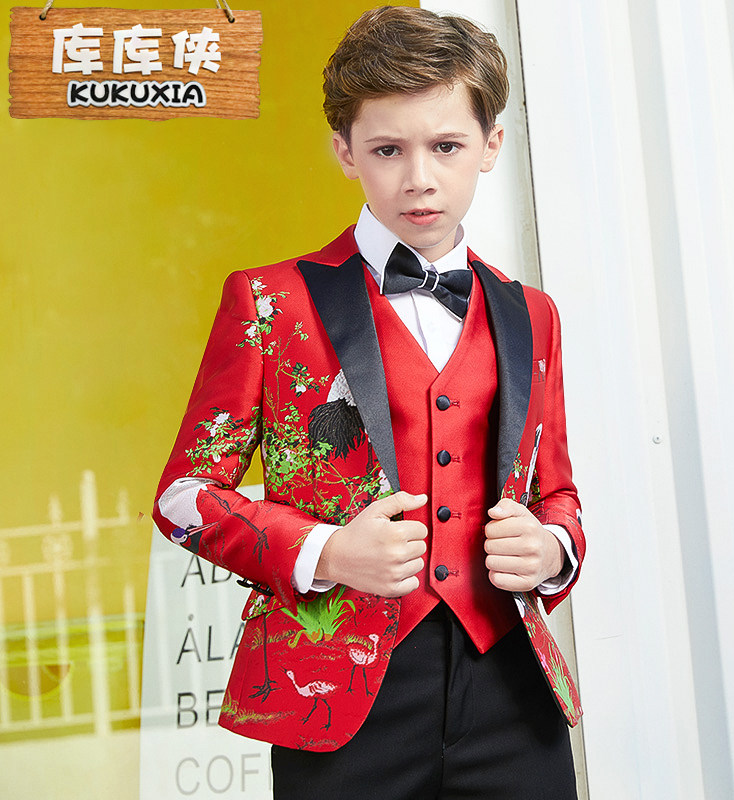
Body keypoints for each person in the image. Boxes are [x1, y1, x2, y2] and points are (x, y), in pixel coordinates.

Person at [153, 6, 585, 798]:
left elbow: (555, 491)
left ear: (491, 145)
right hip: (339, 696)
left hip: (512, 689)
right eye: (388, 149)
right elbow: (184, 497)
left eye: (446, 146)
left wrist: (553, 548)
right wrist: (326, 553)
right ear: (345, 151)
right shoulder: (270, 303)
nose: (418, 177)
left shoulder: (532, 313)